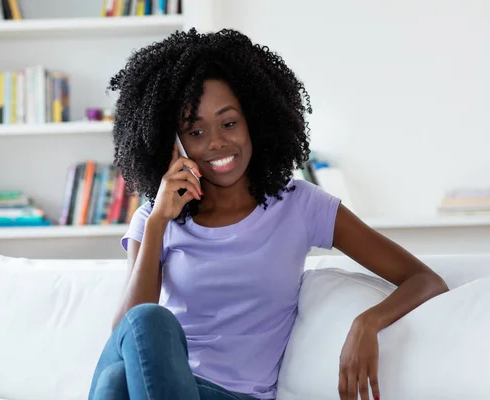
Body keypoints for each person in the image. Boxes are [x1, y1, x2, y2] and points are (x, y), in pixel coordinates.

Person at [87, 28, 449, 400]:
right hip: (164, 386)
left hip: (238, 395)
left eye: (229, 123)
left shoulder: (301, 205)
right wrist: (158, 223)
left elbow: (425, 280)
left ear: (255, 122)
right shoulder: (155, 218)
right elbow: (123, 337)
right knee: (126, 360)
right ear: (174, 144)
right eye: (196, 131)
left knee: (122, 372)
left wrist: (367, 323)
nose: (216, 142)